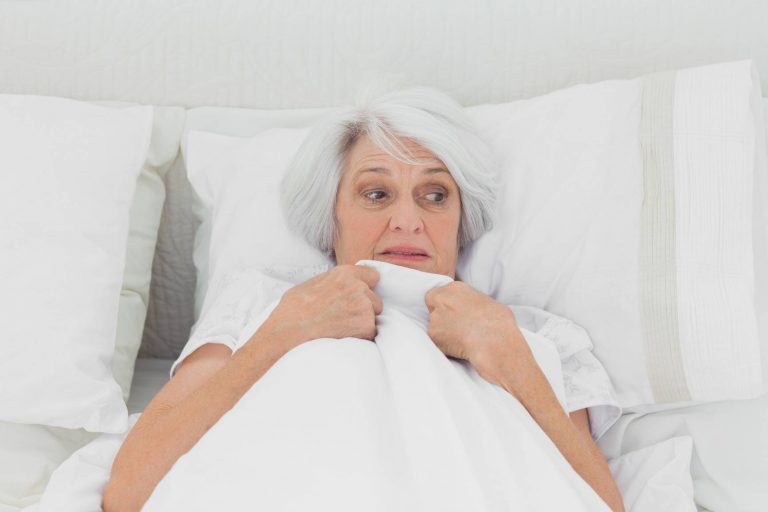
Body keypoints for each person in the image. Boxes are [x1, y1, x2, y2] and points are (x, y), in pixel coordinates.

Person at [103, 86, 625, 512]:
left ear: (462, 219)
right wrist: (282, 334)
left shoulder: (537, 335)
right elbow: (128, 491)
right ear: (330, 218)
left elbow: (600, 503)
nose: (408, 220)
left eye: (435, 195)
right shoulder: (265, 301)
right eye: (376, 194)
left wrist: (511, 358)